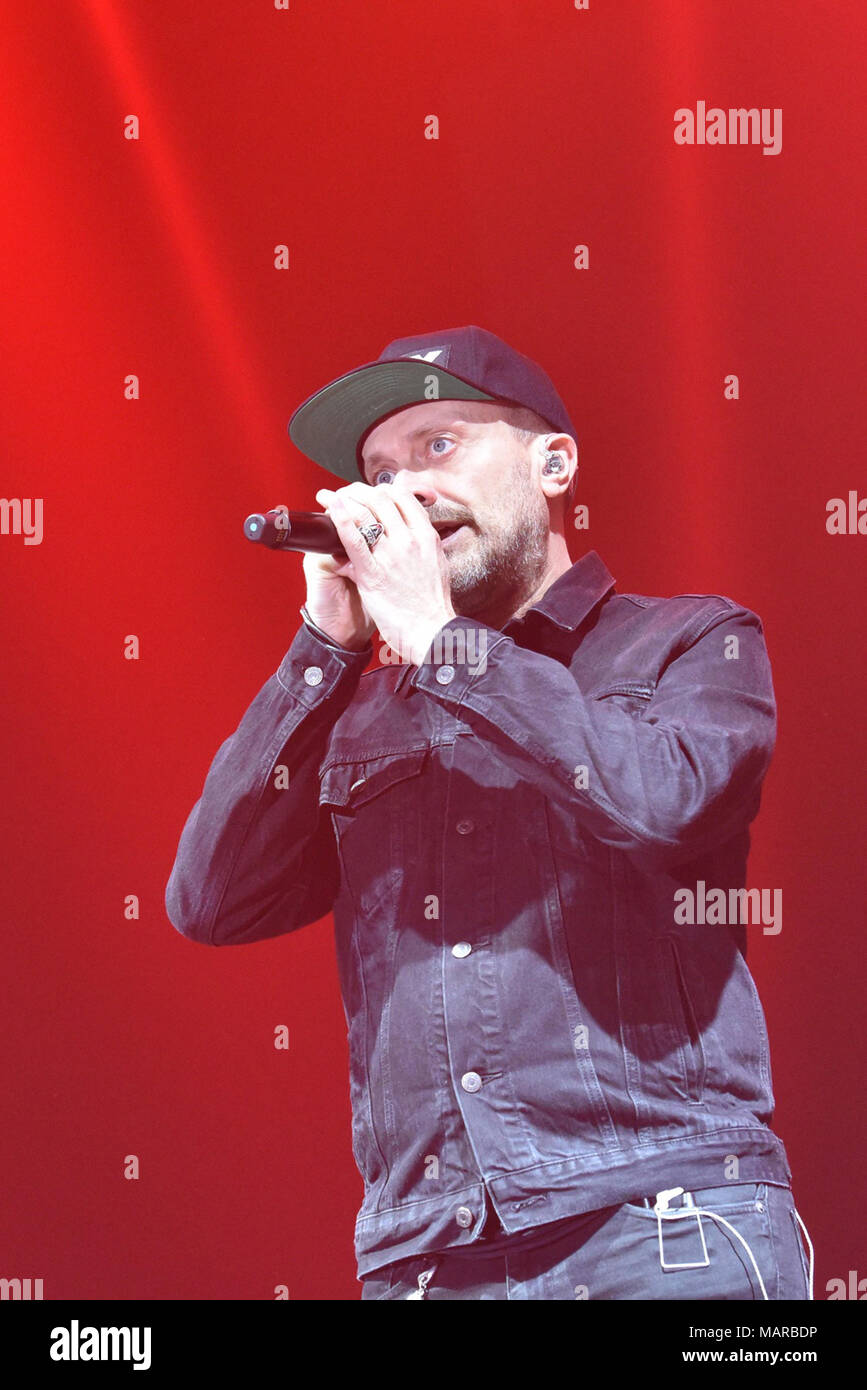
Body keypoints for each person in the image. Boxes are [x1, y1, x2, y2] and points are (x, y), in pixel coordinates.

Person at [165, 325, 812, 1300]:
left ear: (552, 463)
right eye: (379, 472)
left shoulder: (691, 642)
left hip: (664, 1226)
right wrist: (323, 647)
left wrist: (435, 638)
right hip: (429, 1260)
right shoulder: (362, 715)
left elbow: (661, 807)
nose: (407, 491)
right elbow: (212, 901)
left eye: (438, 446)